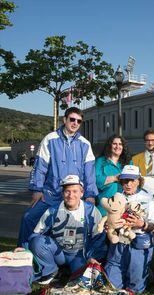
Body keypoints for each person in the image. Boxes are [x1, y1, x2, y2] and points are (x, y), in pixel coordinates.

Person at [18, 107, 98, 248]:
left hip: (73, 197)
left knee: (86, 227)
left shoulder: (85, 144)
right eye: (72, 119)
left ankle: (81, 260)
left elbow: (89, 173)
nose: (75, 123)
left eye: (79, 121)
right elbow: (40, 167)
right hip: (50, 195)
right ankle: (23, 256)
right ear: (64, 120)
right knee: (28, 218)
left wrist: (90, 194)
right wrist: (37, 189)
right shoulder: (50, 139)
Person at [28, 175, 106, 285]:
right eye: (67, 191)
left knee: (82, 283)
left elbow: (98, 237)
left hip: (80, 254)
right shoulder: (53, 210)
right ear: (62, 193)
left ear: (82, 193)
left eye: (75, 191)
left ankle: (70, 271)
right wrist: (25, 249)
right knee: (38, 242)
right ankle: (51, 271)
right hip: (59, 252)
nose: (71, 195)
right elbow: (36, 234)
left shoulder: (91, 210)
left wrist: (92, 257)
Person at [105, 165, 154, 294]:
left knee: (135, 290)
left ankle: (145, 273)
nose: (128, 184)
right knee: (112, 288)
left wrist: (142, 224)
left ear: (138, 181)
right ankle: (133, 270)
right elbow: (109, 218)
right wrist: (108, 225)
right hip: (119, 240)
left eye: (132, 180)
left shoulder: (147, 199)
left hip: (138, 239)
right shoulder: (115, 197)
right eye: (125, 180)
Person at [95, 135, 131, 216]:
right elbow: (95, 180)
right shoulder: (100, 161)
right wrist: (115, 178)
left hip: (123, 205)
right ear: (109, 145)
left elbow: (134, 180)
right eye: (114, 144)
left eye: (120, 144)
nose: (118, 146)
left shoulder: (128, 162)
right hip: (105, 204)